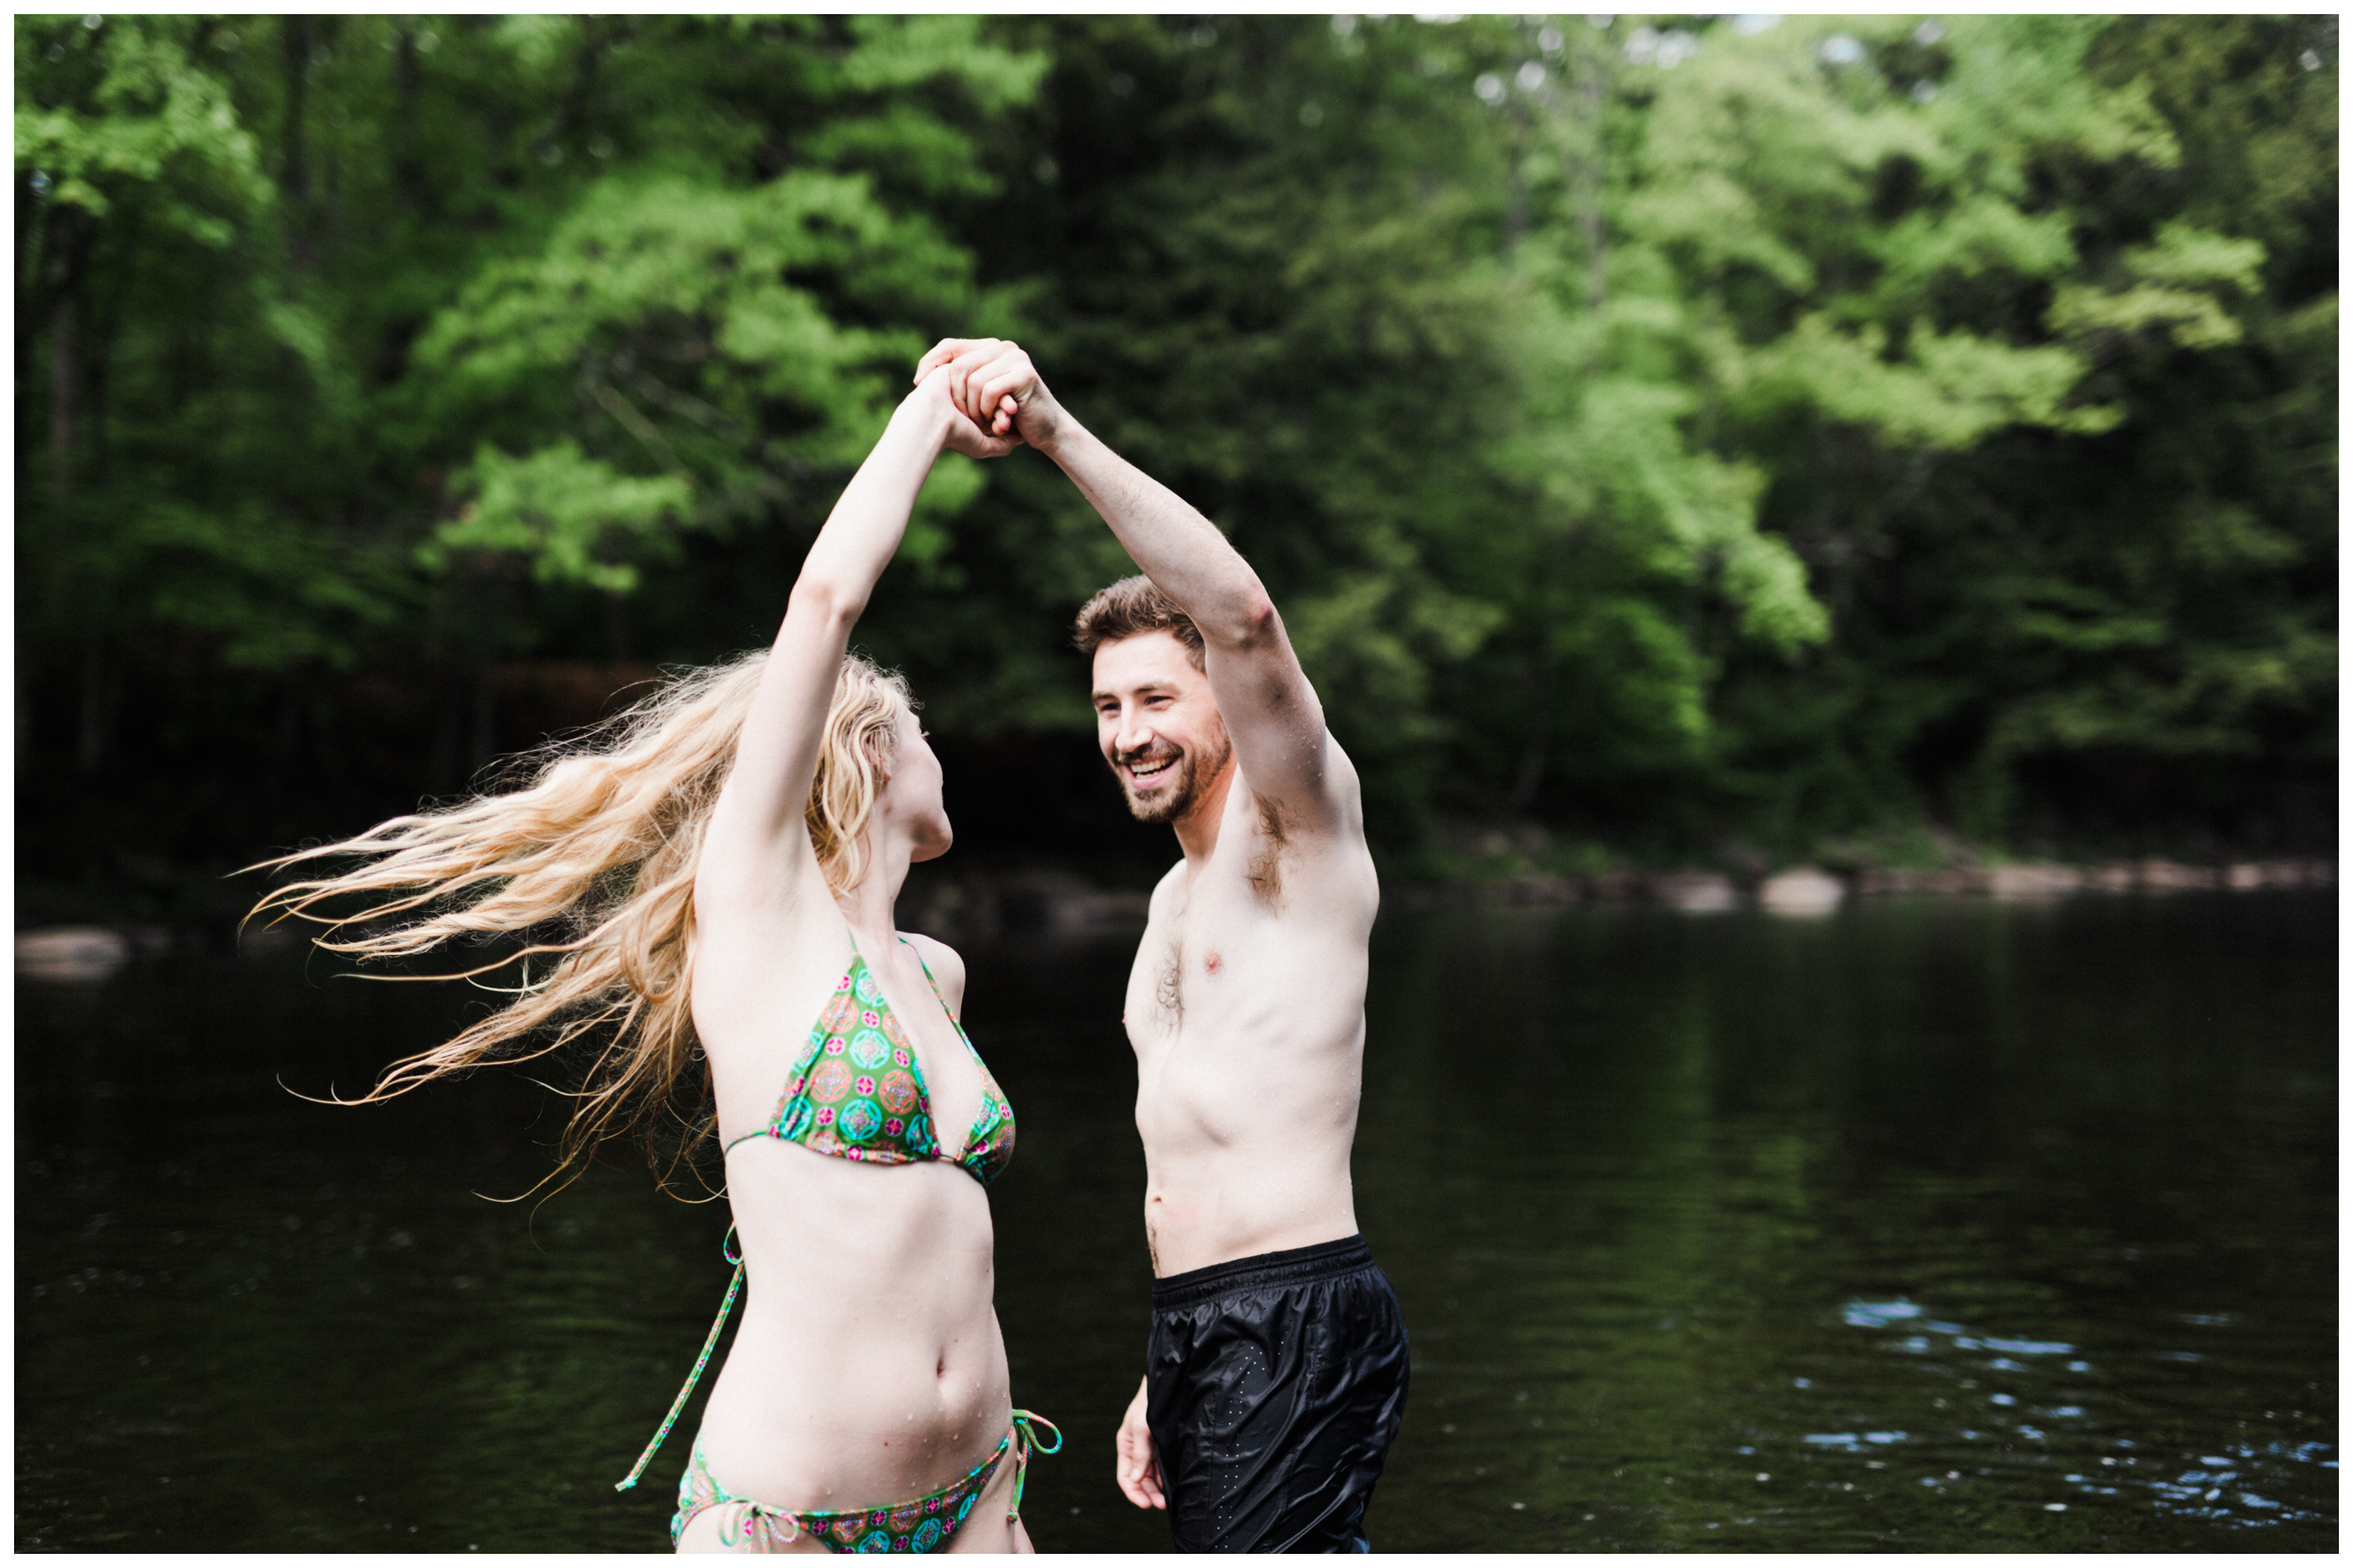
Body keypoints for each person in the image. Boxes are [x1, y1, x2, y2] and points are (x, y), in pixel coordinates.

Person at [248, 359, 1058, 1554]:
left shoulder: (935, 973)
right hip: (791, 1517)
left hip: (979, 1495)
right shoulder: (763, 911)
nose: (944, 748)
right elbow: (827, 601)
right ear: (871, 751)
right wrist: (922, 423)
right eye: (922, 727)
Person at [919, 338, 1409, 1553]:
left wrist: (1053, 433)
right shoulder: (1167, 910)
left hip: (1296, 1304)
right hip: (1200, 1323)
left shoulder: (1298, 829)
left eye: (1154, 699)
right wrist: (1163, 1363)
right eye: (1105, 706)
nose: (1126, 733)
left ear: (1223, 704)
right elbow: (1185, 1157)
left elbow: (1241, 615)